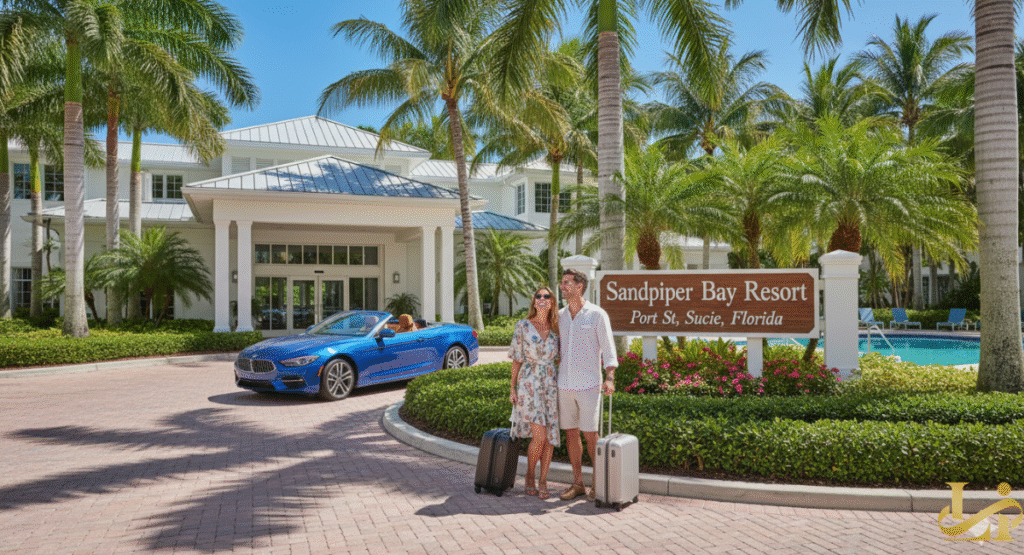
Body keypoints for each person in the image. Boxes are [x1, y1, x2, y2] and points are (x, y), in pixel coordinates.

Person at [556, 268, 617, 501]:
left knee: (591, 435)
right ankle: (578, 483)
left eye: (567, 283)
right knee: (571, 434)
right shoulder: (560, 316)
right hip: (565, 385)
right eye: (562, 283)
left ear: (579, 286)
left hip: (590, 386)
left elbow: (609, 351)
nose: (563, 287)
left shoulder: (597, 314)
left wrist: (610, 378)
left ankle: (599, 483)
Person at [508, 286, 560, 500]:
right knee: (538, 436)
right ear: (533, 301)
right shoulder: (523, 326)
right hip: (530, 383)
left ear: (552, 302)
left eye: (546, 296)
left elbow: (562, 359)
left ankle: (543, 480)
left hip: (551, 384)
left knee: (549, 437)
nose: (542, 298)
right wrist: (512, 387)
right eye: (538, 296)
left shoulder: (557, 329)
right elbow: (517, 359)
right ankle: (530, 475)